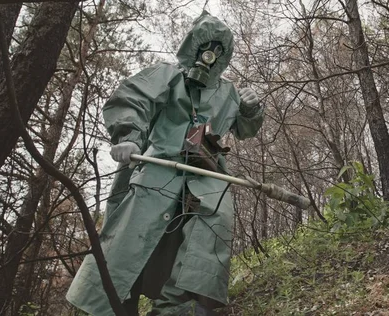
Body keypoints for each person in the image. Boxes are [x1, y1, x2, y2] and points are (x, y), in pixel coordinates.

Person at [66, 11, 264, 316]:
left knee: (210, 230)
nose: (209, 55)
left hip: (208, 173)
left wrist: (250, 109)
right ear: (192, 46)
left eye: (218, 49)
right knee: (133, 233)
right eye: (205, 46)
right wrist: (128, 134)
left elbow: (246, 129)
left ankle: (183, 308)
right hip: (160, 165)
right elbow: (134, 96)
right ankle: (111, 306)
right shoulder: (168, 75)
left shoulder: (228, 92)